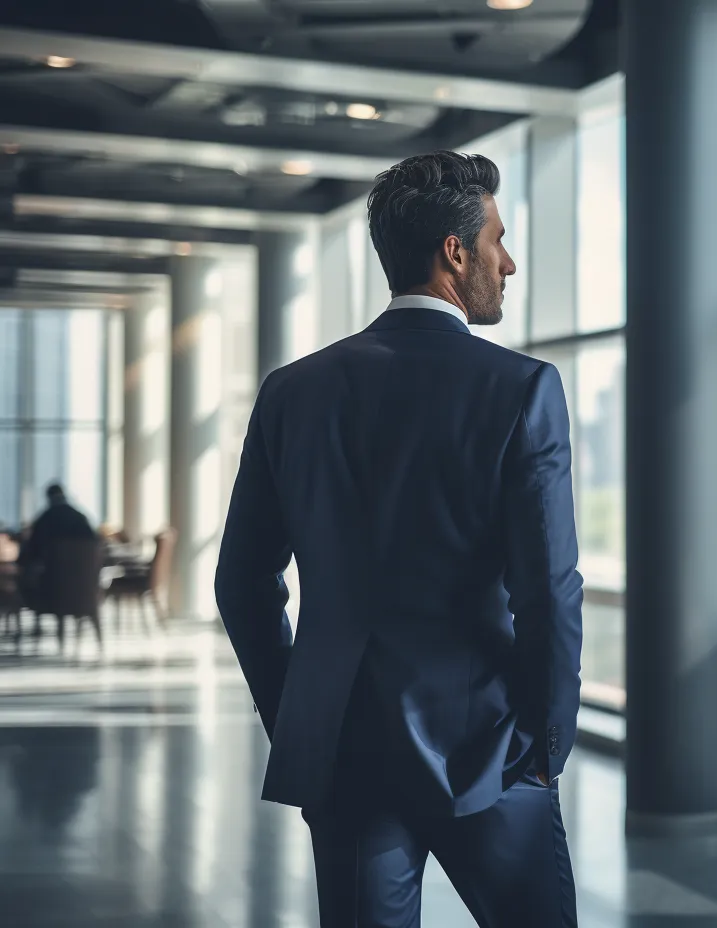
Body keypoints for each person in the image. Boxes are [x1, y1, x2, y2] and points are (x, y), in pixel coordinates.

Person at [215, 151, 584, 928]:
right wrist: (546, 746)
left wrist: (300, 717)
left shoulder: (293, 392)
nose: (507, 263)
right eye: (497, 242)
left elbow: (241, 582)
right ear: (455, 252)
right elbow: (547, 588)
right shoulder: (520, 389)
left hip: (346, 751)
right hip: (492, 751)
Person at [17, 483, 97, 620]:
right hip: (84, 590)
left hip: (53, 589)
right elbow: (95, 548)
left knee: (23, 578)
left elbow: (28, 554)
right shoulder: (81, 518)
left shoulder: (44, 519)